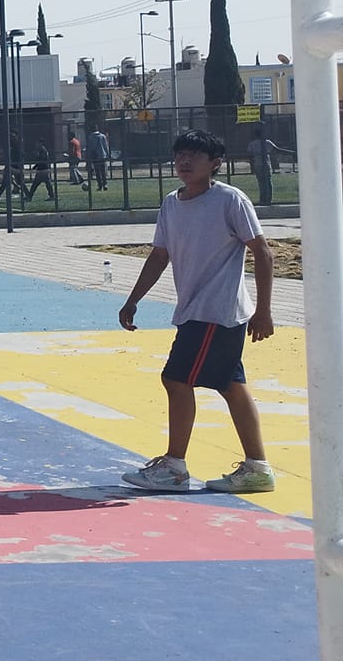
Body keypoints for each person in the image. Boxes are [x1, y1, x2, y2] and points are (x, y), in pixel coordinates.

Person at [117, 130, 276, 494]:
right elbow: (160, 255)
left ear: (215, 163)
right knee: (231, 385)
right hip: (194, 311)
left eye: (194, 156)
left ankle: (174, 467)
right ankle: (257, 468)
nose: (185, 162)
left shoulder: (229, 200)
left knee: (176, 379)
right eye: (180, 156)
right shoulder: (172, 204)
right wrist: (132, 299)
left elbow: (263, 253)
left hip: (215, 312)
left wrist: (264, 311)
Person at [245, 125, 291, 207]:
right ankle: (268, 199)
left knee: (261, 182)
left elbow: (250, 155)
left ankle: (262, 199)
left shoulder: (252, 144)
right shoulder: (267, 142)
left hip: (257, 164)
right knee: (268, 182)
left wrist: (252, 166)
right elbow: (277, 150)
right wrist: (289, 151)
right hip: (266, 164)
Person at [86, 125, 111, 189]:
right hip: (102, 155)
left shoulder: (90, 137)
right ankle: (105, 184)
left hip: (95, 156)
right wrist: (108, 154)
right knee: (103, 171)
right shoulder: (103, 136)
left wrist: (89, 156)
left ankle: (100, 185)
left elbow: (89, 148)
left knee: (97, 171)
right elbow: (106, 146)